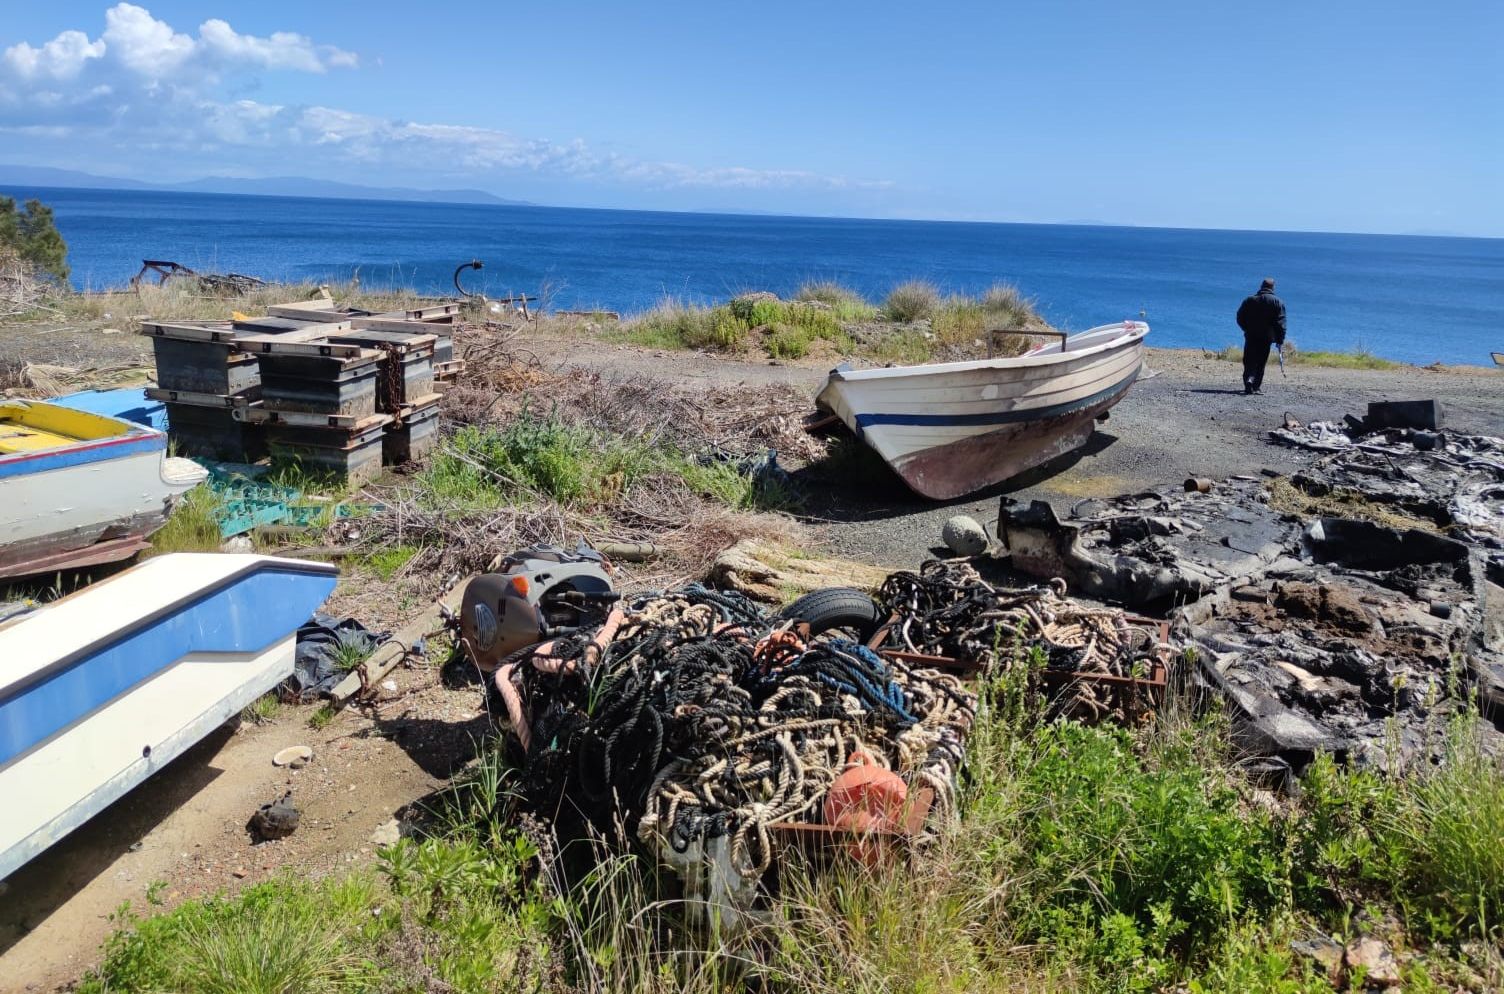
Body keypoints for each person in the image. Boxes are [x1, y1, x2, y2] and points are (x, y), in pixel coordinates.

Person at [1235, 278, 1286, 394]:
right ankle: (1255, 386)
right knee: (1261, 361)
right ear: (1273, 288)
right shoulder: (1277, 302)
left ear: (1261, 286)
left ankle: (1249, 380)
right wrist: (1280, 339)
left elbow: (1239, 317)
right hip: (1267, 337)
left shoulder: (1249, 300)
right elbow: (1281, 323)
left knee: (1249, 360)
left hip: (1251, 335)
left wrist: (1246, 328)